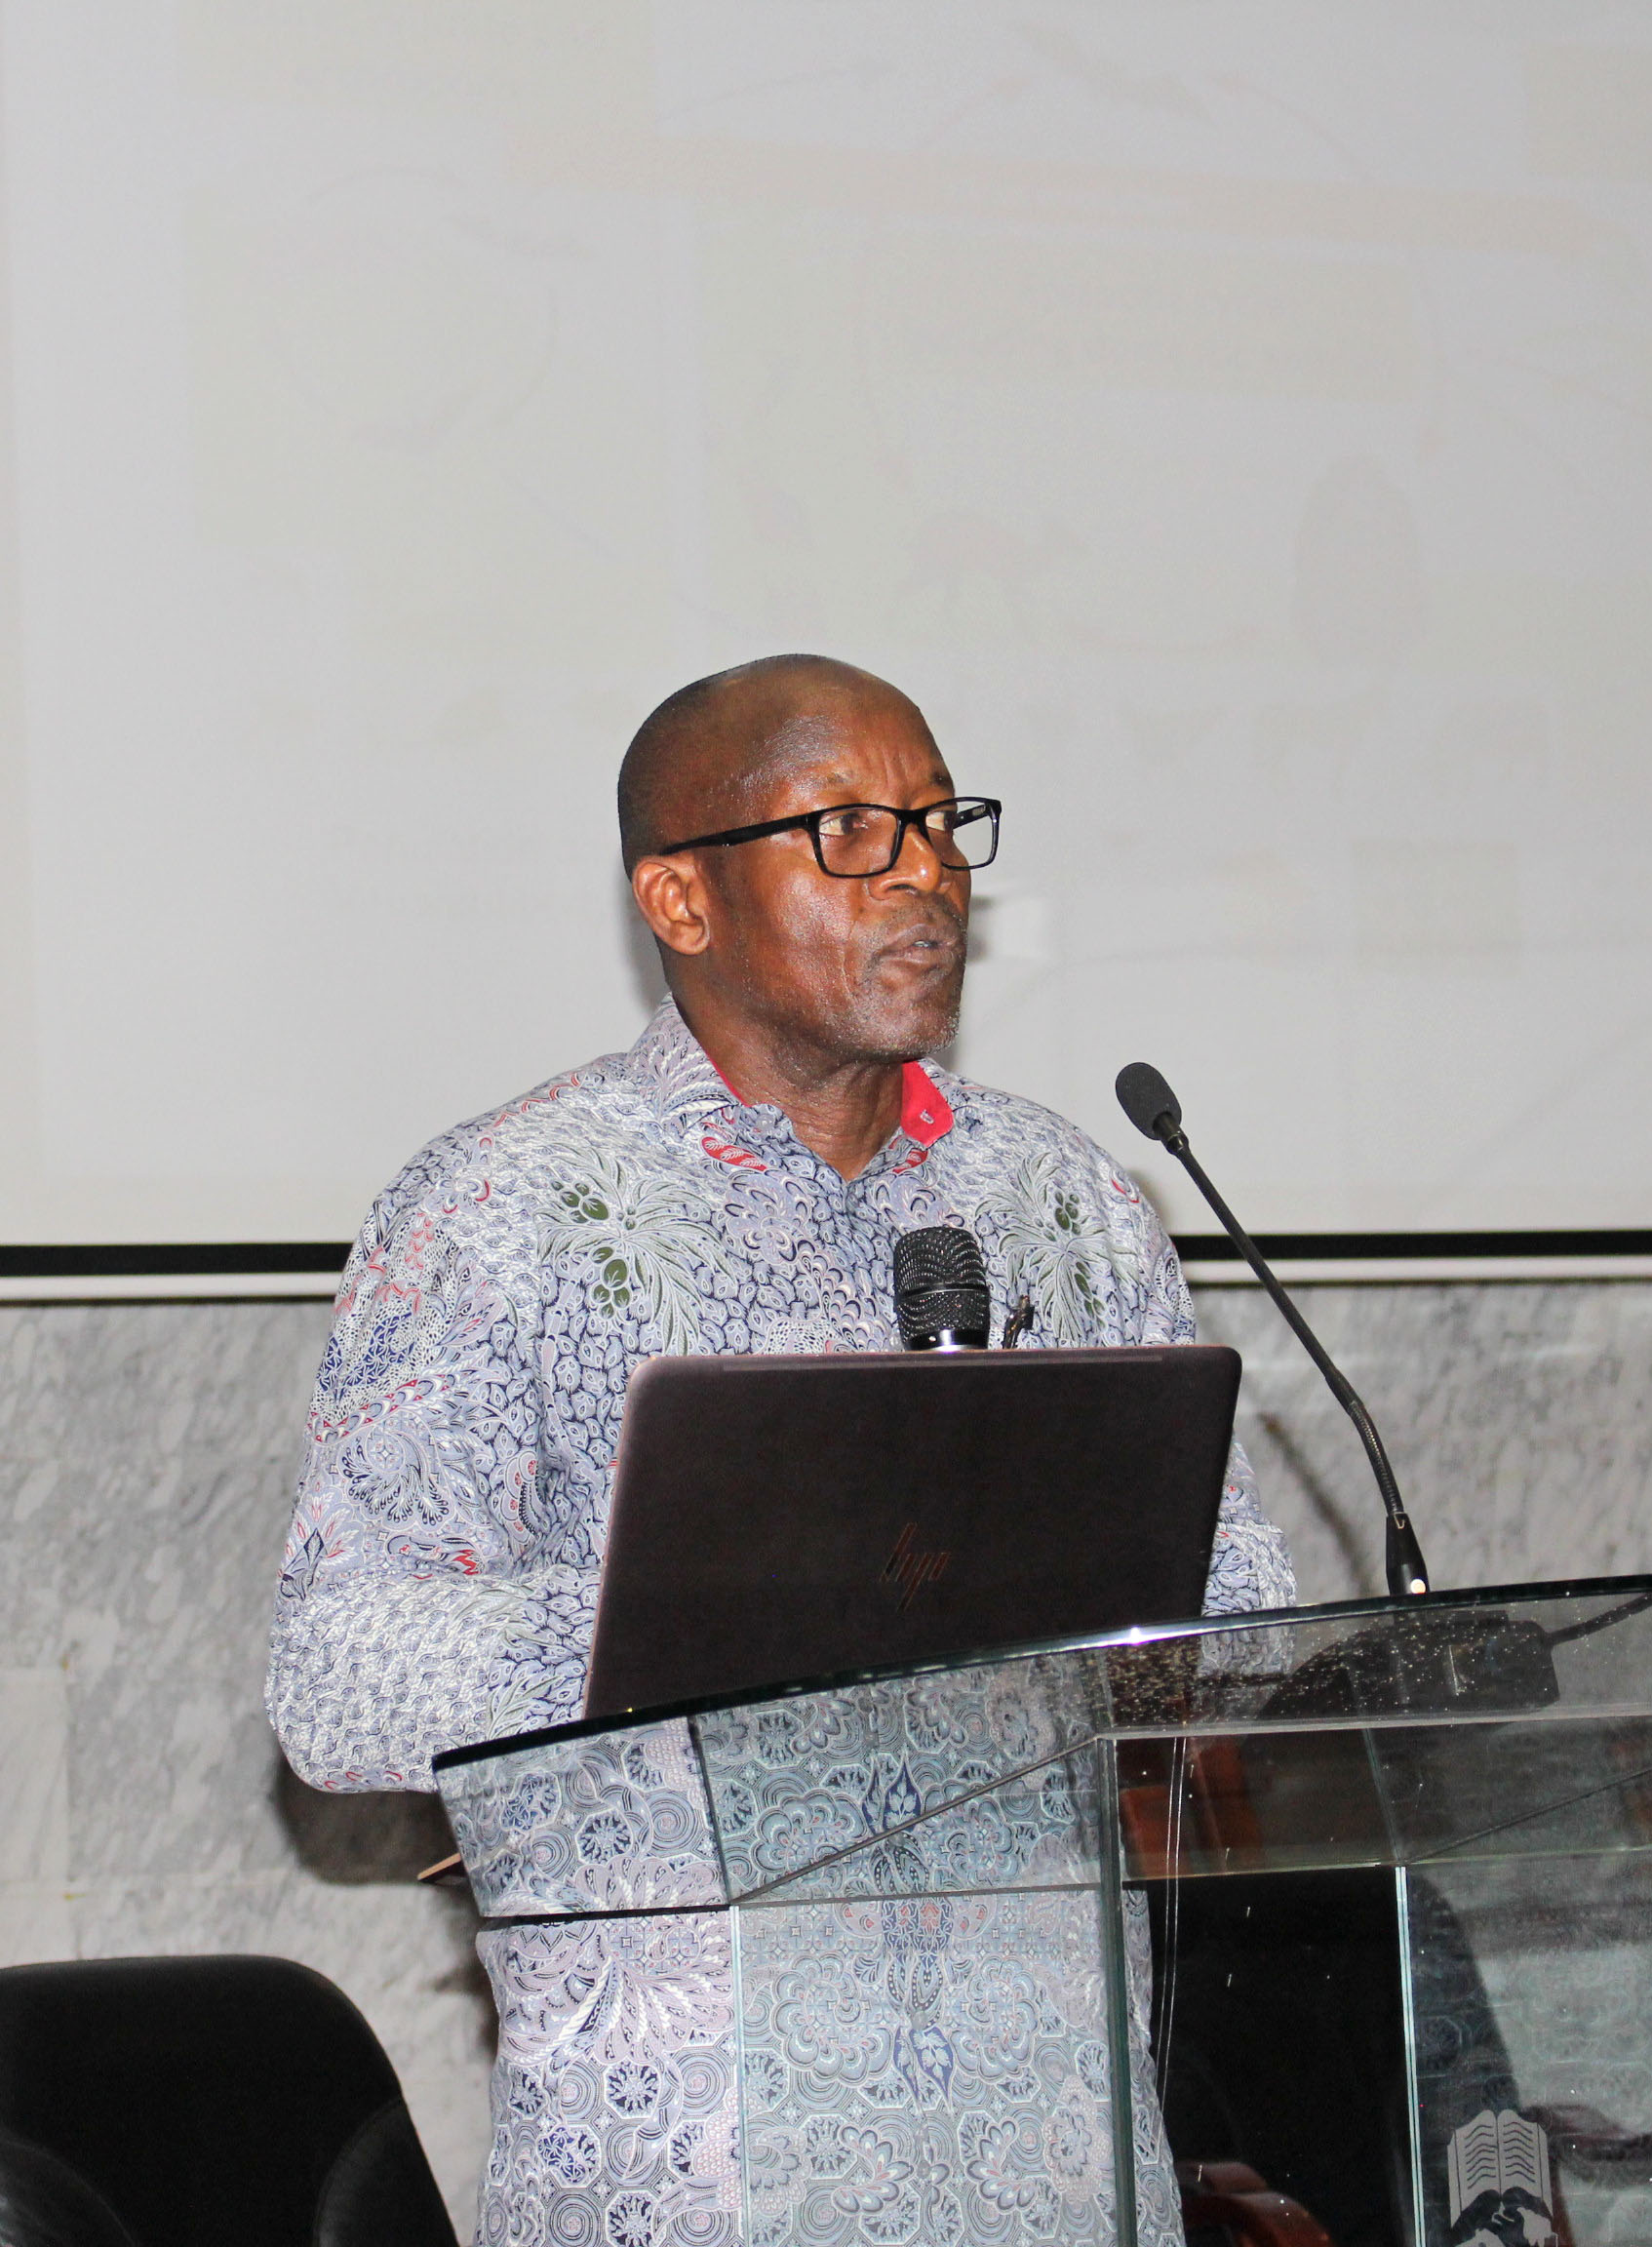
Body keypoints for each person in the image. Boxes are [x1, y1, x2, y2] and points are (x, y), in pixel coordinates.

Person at [267, 654, 1294, 2245]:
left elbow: (1239, 1608)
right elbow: (339, 1681)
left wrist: (1132, 1619)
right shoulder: (505, 1210)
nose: (928, 875)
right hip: (695, 2156)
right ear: (681, 900)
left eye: (942, 825)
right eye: (852, 832)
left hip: (1052, 2150)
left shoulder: (1071, 1201)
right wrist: (714, 1608)